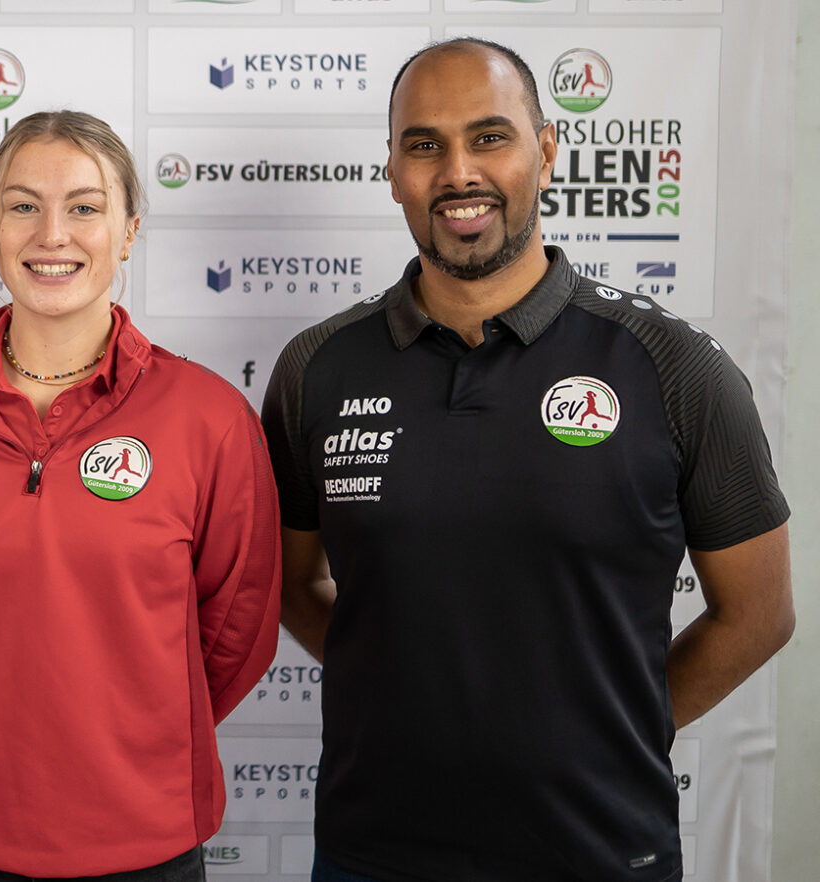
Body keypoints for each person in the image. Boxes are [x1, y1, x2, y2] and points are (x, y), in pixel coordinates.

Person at [260, 38, 794, 882]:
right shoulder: (316, 368)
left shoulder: (674, 367)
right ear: (392, 170)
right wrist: (397, 681)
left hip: (600, 850)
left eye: (490, 137)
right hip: (374, 853)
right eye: (424, 145)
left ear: (547, 151)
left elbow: (759, 615)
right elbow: (291, 586)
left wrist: (616, 725)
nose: (458, 172)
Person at [0, 110, 282, 880]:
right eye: (23, 205)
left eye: (84, 207)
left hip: (143, 843)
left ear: (127, 231)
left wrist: (128, 738)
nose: (52, 233)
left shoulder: (210, 417)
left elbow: (237, 630)